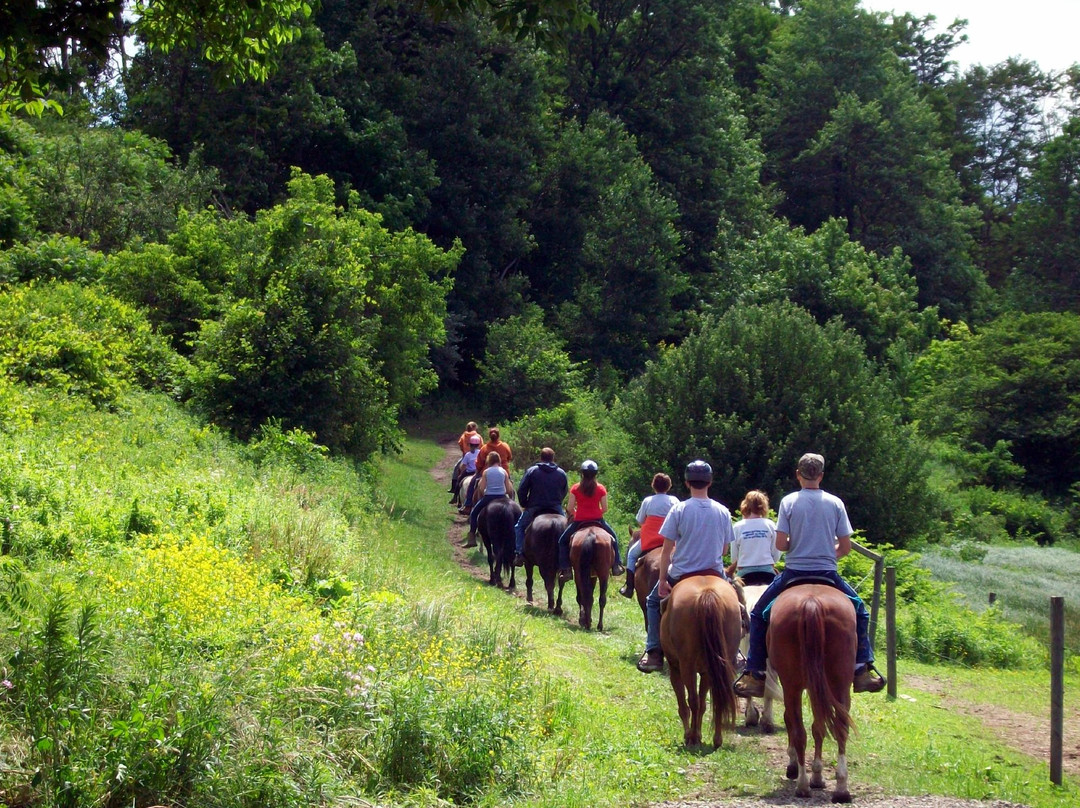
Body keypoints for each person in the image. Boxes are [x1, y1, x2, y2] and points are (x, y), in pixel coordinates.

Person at [732, 453, 885, 696]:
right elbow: (845, 548)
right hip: (827, 573)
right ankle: (861, 668)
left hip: (794, 573)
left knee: (758, 615)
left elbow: (781, 544)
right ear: (821, 476)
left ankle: (756, 674)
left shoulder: (789, 502)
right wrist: (824, 552)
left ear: (798, 475)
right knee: (861, 611)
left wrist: (800, 545)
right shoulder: (835, 503)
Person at [637, 460, 734, 673]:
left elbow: (666, 549)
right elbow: (725, 551)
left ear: (687, 482)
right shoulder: (723, 511)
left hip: (682, 573)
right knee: (738, 605)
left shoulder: (679, 510)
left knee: (653, 602)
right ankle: (737, 653)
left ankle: (654, 651)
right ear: (710, 482)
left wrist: (662, 580)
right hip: (715, 573)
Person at [556, 460, 623, 582]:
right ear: (595, 474)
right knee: (614, 538)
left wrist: (578, 514)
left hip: (579, 521)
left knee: (562, 542)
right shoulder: (601, 488)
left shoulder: (576, 488)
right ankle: (616, 565)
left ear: (582, 473)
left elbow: (570, 508)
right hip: (598, 520)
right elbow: (605, 508)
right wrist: (596, 513)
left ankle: (566, 569)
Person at [619, 473, 680, 597]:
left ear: (653, 486)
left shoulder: (648, 501)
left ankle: (629, 587)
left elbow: (640, 521)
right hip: (669, 540)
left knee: (631, 555)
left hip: (649, 539)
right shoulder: (674, 501)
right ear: (669, 486)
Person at [512, 448, 569, 566]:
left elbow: (522, 489)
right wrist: (558, 501)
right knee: (568, 530)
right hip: (555, 507)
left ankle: (519, 553)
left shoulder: (532, 471)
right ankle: (567, 561)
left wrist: (524, 503)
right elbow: (564, 490)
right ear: (553, 458)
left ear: (541, 457)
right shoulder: (561, 473)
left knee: (519, 527)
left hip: (534, 506)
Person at [725, 490, 781, 586]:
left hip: (744, 574)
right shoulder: (770, 524)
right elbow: (776, 555)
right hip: (768, 572)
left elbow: (734, 558)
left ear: (745, 505)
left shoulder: (737, 527)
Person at [465, 452, 511, 548]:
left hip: (489, 497)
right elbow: (509, 490)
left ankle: (472, 536)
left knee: (474, 513)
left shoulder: (486, 472)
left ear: (489, 461)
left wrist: (486, 491)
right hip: (502, 497)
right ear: (499, 460)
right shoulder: (504, 472)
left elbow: (481, 488)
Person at [451, 434, 484, 504]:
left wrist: (461, 473)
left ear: (470, 444)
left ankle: (455, 497)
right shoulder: (481, 453)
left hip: (469, 472)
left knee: (459, 481)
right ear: (478, 445)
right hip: (478, 472)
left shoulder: (468, 454)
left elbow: (463, 466)